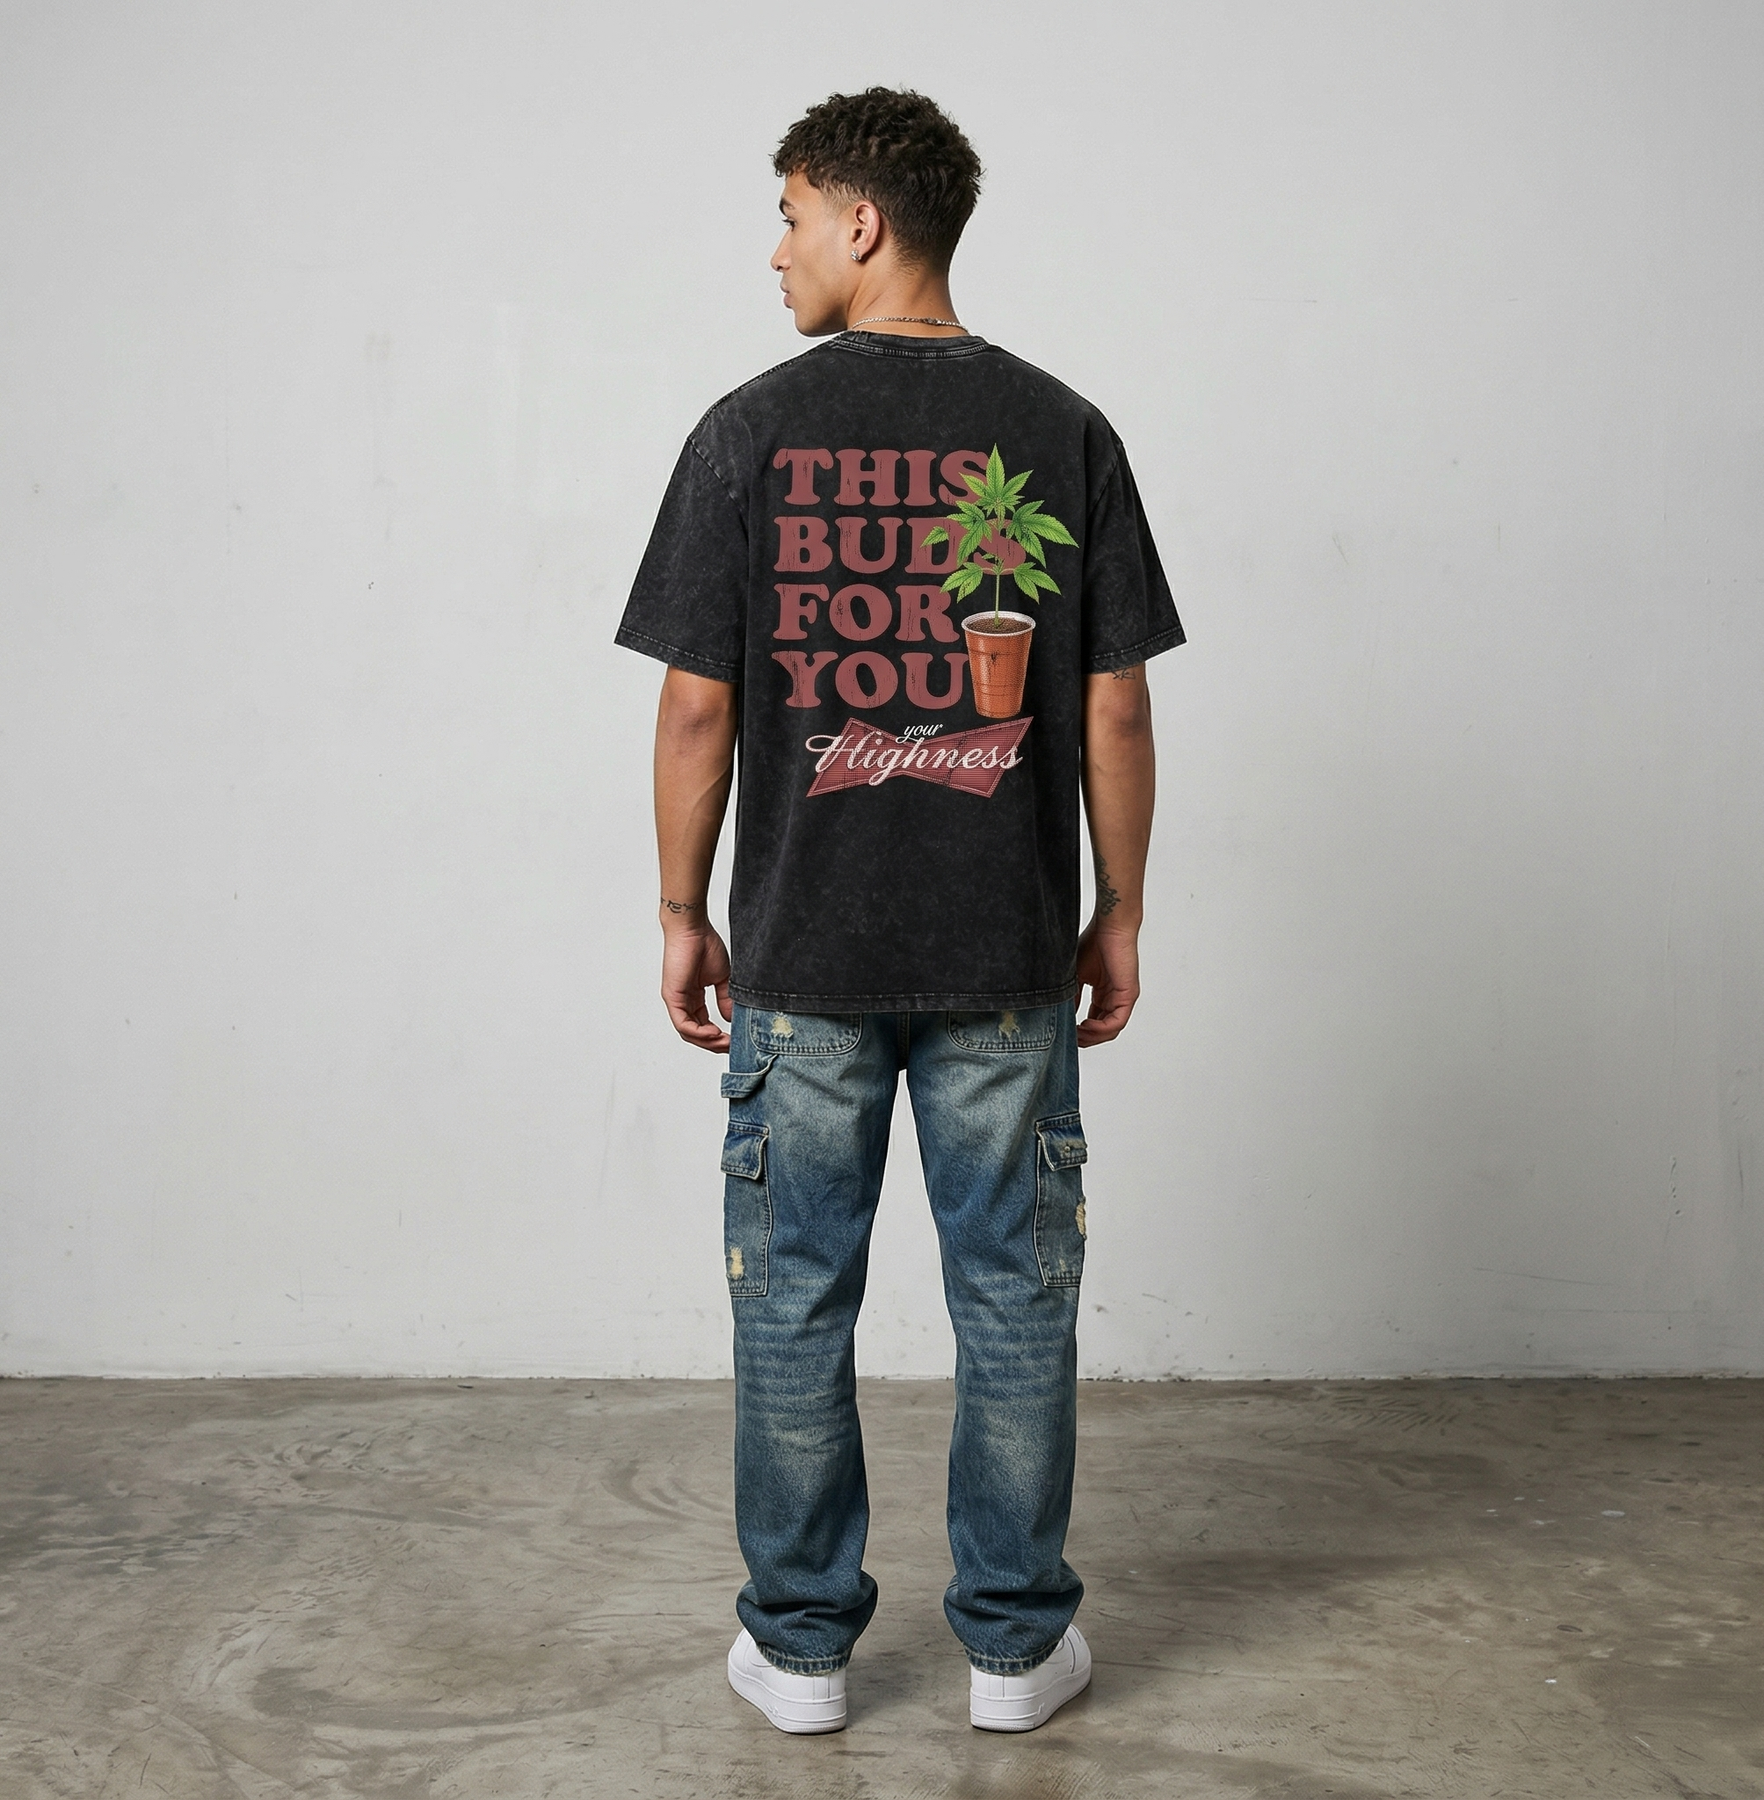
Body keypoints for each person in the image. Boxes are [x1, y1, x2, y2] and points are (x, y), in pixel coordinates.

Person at [616, 87, 1182, 1736]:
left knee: (795, 1293)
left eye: (790, 215)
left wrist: (680, 907)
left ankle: (801, 1656)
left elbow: (697, 708)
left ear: (862, 223)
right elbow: (1116, 705)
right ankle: (1013, 1654)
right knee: (1014, 1293)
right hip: (1005, 953)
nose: (776, 249)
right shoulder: (1063, 427)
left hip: (803, 959)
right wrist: (1121, 907)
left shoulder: (745, 434)